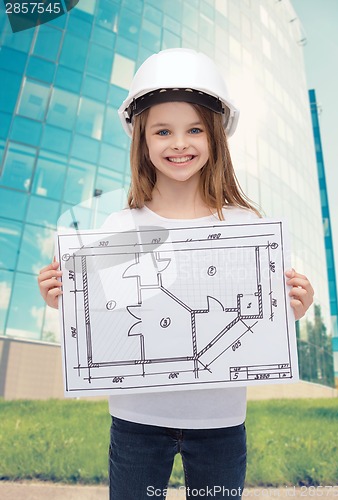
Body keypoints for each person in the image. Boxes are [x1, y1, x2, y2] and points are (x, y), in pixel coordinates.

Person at [38, 48, 314, 499]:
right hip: (136, 422)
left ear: (215, 137)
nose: (179, 143)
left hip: (220, 422)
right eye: (163, 131)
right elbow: (104, 320)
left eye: (194, 130)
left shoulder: (244, 226)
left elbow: (258, 318)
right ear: (142, 141)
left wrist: (292, 308)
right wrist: (62, 299)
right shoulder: (116, 230)